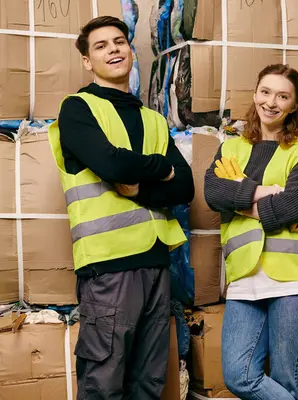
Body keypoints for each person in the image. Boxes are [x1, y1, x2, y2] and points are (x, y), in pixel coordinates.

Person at [47, 16, 194, 399]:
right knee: (104, 383)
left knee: (148, 384)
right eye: (100, 46)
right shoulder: (77, 109)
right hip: (109, 269)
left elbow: (186, 186)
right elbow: (112, 165)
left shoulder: (155, 120)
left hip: (157, 264)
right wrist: (161, 167)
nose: (113, 49)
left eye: (119, 42)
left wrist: (140, 187)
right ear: (86, 60)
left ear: (131, 51)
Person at [204, 64, 298, 400]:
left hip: (297, 276)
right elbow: (213, 194)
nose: (271, 102)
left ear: (294, 105)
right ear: (255, 94)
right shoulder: (230, 147)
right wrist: (267, 192)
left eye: (282, 96)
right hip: (245, 275)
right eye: (265, 92)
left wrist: (241, 198)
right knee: (239, 376)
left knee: (288, 379)